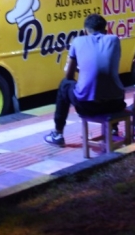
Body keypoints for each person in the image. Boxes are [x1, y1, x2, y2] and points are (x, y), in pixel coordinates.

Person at [44, 14, 126, 146]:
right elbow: (106, 67)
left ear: (84, 31)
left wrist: (81, 70)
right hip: (116, 105)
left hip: (88, 107)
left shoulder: (77, 41)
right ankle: (113, 129)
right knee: (109, 82)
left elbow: (69, 76)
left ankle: (58, 133)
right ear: (106, 31)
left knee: (64, 84)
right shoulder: (114, 40)